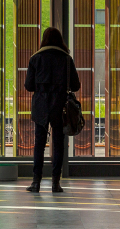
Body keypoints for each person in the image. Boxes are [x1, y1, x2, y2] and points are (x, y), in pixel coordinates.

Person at [24, 27, 80, 194]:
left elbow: (28, 86)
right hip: (60, 104)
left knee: (39, 143)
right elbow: (76, 85)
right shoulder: (66, 59)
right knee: (58, 144)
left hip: (41, 104)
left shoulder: (35, 58)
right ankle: (56, 183)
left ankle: (36, 182)